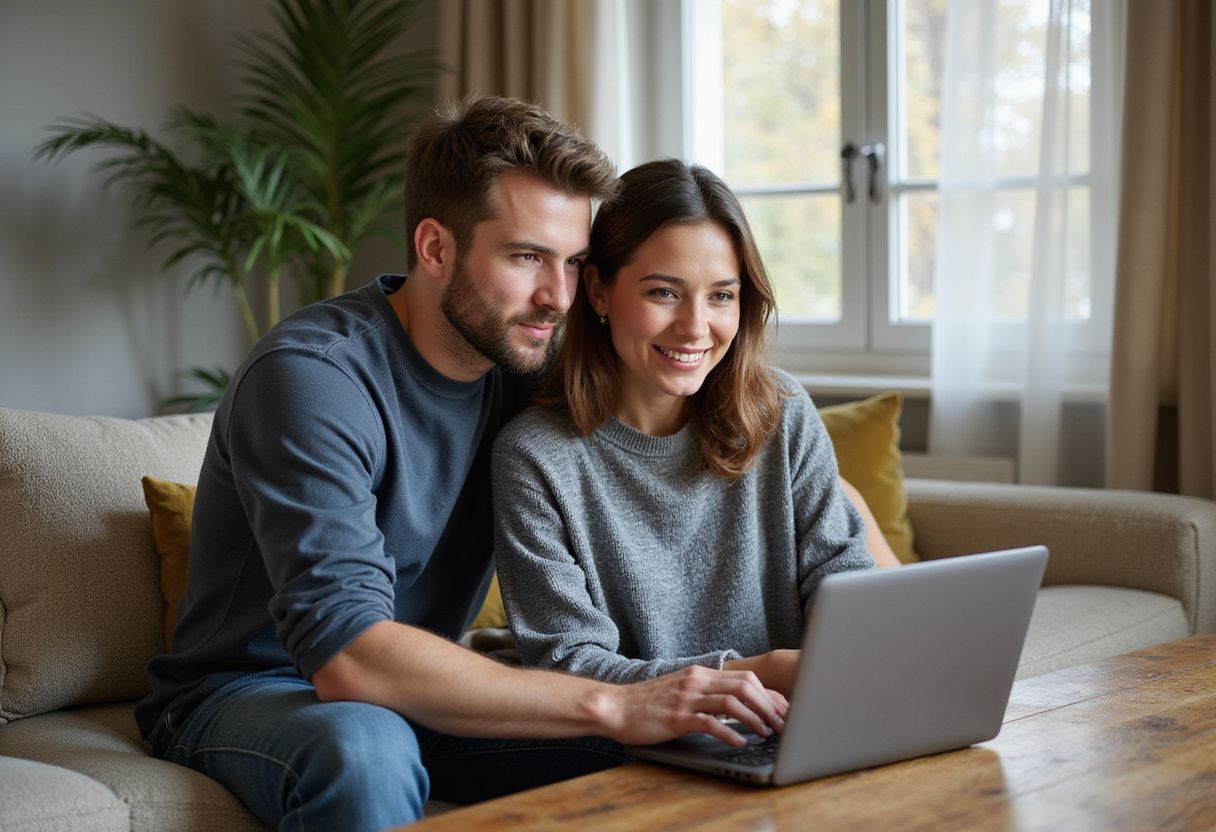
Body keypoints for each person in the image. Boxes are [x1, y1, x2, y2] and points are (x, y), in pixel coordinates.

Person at [134, 99, 786, 832]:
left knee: (706, 744)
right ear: (436, 249)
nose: (558, 297)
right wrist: (620, 701)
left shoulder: (524, 358)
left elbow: (740, 426)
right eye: (526, 258)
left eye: (573, 264)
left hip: (434, 683)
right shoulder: (313, 378)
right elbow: (349, 658)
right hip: (263, 689)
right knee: (366, 752)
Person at [492, 158, 878, 698]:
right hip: (638, 748)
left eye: (721, 295)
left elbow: (848, 586)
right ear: (599, 291)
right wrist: (752, 675)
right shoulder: (535, 457)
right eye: (663, 293)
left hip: (799, 723)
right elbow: (568, 664)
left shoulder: (782, 413)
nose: (696, 328)